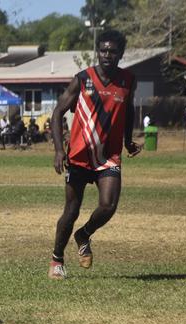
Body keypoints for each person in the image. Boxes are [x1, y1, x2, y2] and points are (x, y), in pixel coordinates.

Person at [47, 29, 142, 280]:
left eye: (112, 51)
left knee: (108, 205)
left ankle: (84, 234)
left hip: (108, 156)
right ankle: (57, 258)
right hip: (79, 155)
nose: (107, 55)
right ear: (97, 51)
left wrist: (128, 140)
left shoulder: (128, 80)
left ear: (121, 54)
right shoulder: (83, 79)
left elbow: (128, 110)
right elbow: (57, 113)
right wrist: (58, 150)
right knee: (71, 210)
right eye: (103, 50)